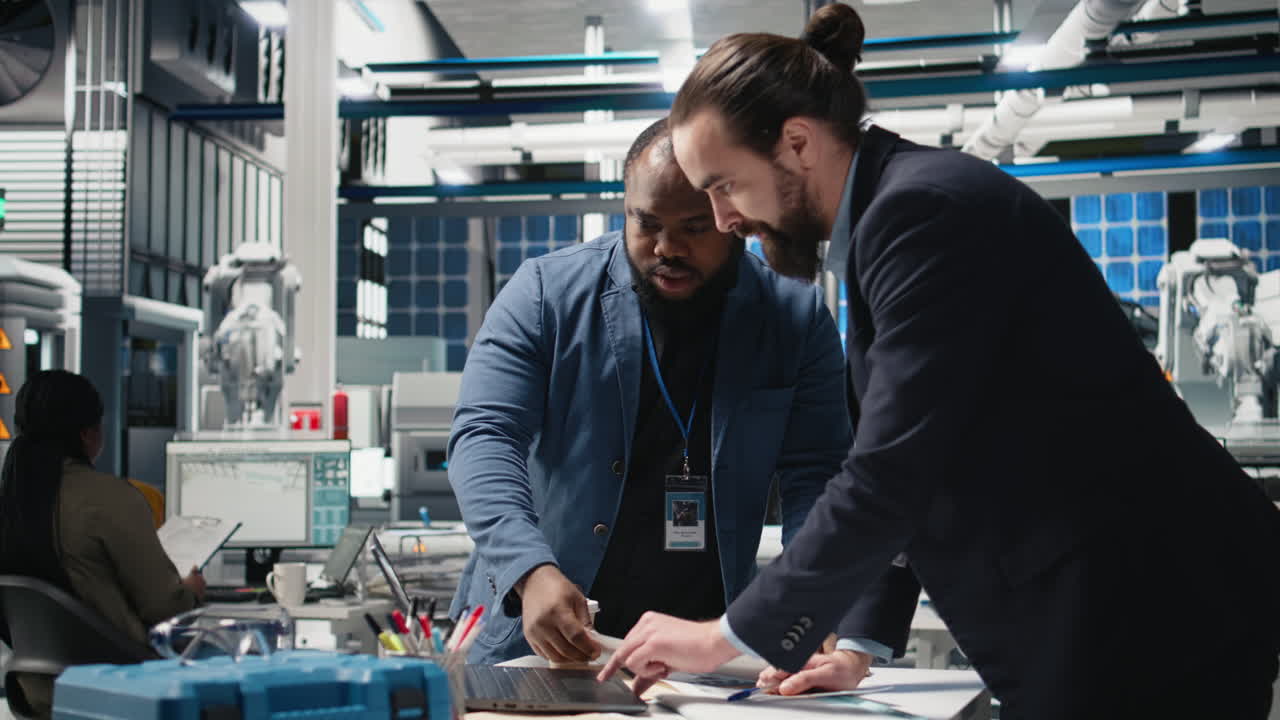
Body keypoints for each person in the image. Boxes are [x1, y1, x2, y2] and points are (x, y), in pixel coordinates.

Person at [600, 5, 1280, 719]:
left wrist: (723, 636)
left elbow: (891, 472)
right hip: (1117, 611)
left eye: (725, 185)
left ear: (796, 144)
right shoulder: (887, 222)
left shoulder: (919, 215)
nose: (722, 218)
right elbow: (912, 461)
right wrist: (857, 643)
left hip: (1150, 611)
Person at [447, 117, 852, 665]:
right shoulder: (545, 294)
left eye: (691, 227)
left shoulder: (793, 319)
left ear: (731, 217)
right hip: (543, 632)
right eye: (646, 223)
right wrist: (528, 568)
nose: (667, 247)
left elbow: (819, 474)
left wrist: (814, 600)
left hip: (704, 646)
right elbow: (484, 436)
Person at [0, 370, 205, 717]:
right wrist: (191, 590)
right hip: (119, 685)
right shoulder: (110, 499)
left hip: (35, 690)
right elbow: (168, 613)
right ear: (88, 434)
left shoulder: (11, 500)